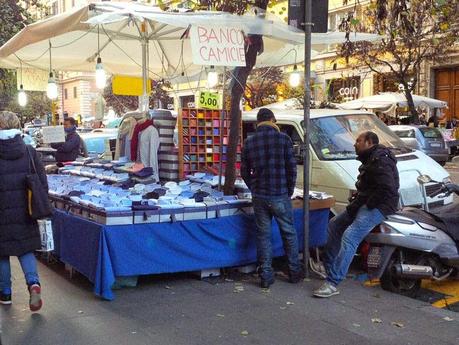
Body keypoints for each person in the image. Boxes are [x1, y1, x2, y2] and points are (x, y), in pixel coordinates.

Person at [313, 131, 399, 298]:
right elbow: (372, 185)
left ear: (368, 142)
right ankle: (331, 268)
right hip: (364, 203)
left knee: (350, 236)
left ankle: (332, 282)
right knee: (334, 226)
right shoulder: (372, 158)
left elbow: (388, 188)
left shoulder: (381, 159)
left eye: (358, 141)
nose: (354, 144)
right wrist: (360, 197)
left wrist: (368, 203)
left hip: (378, 206)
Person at [241, 108, 302, 289]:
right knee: (289, 233)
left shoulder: (249, 142)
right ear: (273, 120)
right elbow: (292, 169)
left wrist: (254, 187)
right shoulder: (284, 139)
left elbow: (244, 172)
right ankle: (294, 272)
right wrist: (289, 190)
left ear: (258, 122)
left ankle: (266, 276)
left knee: (263, 236)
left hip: (260, 196)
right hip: (280, 194)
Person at [0, 111, 44, 311]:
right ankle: (33, 284)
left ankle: (6, 294)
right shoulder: (29, 151)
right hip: (25, 211)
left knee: (2, 254)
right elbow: (42, 182)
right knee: (25, 250)